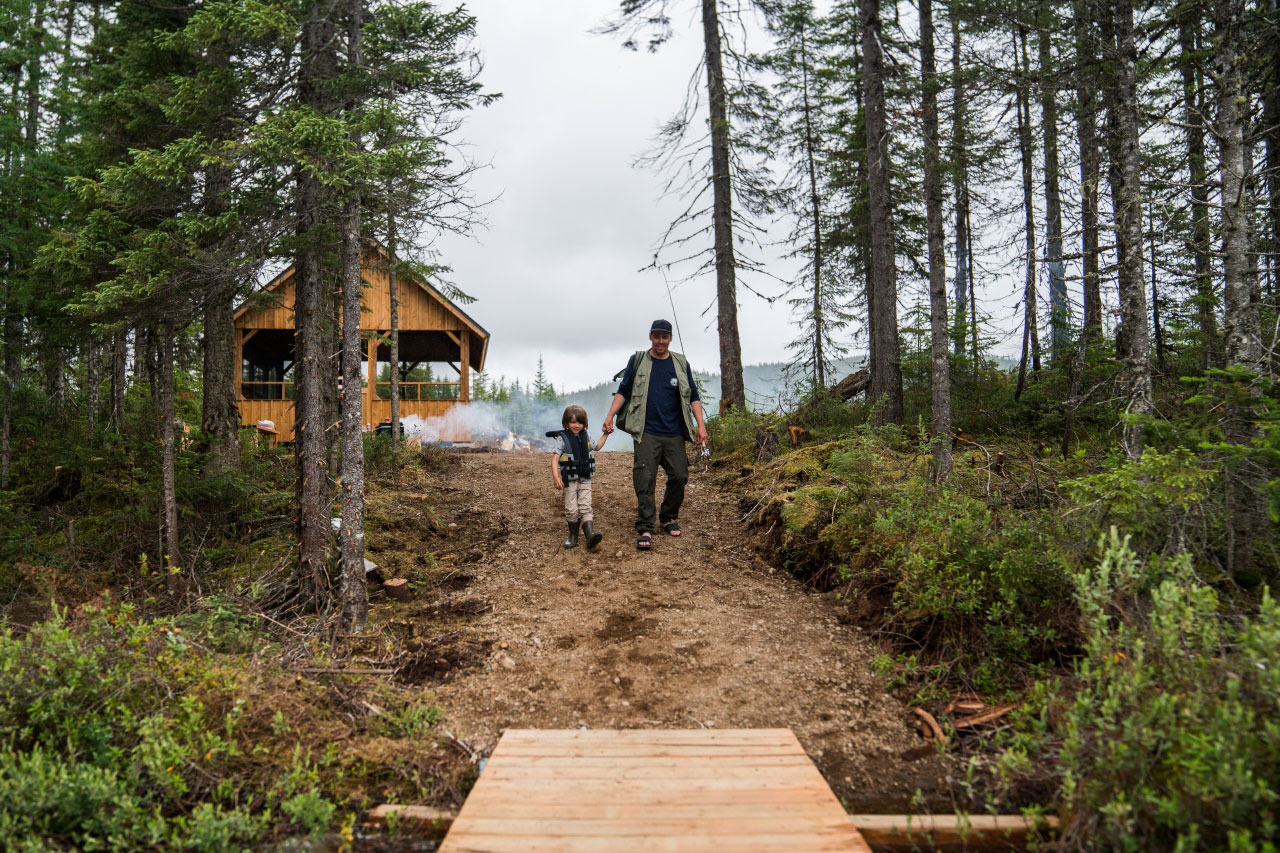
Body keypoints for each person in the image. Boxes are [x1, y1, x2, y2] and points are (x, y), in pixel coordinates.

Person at [602, 320, 708, 551]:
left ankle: (668, 517)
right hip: (646, 431)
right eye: (656, 336)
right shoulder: (639, 360)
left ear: (670, 338)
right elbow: (624, 390)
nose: (660, 341)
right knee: (645, 479)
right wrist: (610, 415)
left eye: (665, 337)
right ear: (650, 336)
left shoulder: (680, 362)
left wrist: (701, 426)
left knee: (680, 476)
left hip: (674, 433)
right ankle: (646, 526)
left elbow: (694, 395)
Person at [551, 404, 609, 549]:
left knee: (586, 506)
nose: (577, 425)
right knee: (571, 509)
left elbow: (598, 446)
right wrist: (556, 477)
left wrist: (606, 434)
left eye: (580, 422)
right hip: (569, 481)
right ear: (566, 423)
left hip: (585, 478)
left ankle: (590, 535)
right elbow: (554, 459)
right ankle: (573, 536)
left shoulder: (587, 436)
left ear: (584, 423)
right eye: (573, 422)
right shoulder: (562, 439)